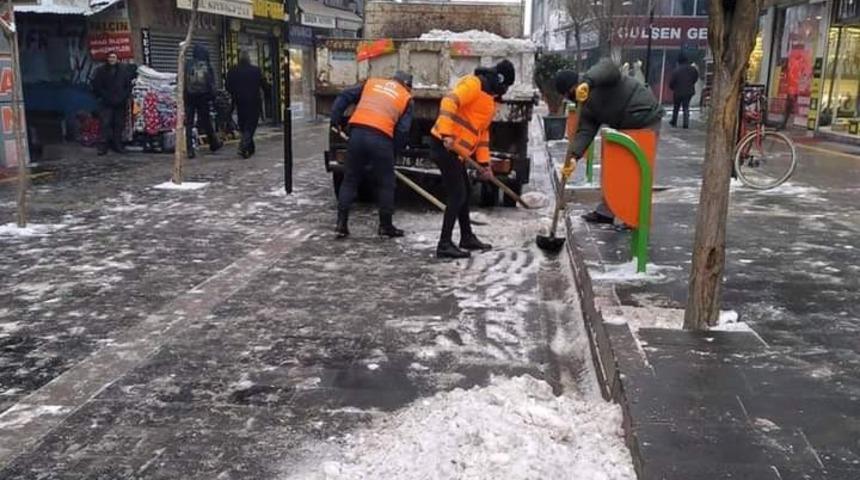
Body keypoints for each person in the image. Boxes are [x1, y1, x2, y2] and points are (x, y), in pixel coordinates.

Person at [555, 59, 663, 225]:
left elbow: (610, 67)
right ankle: (606, 212)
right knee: (616, 169)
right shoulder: (584, 105)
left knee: (637, 171)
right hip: (626, 126)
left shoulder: (598, 79)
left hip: (645, 118)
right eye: (568, 95)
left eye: (572, 91)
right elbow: (585, 131)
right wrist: (574, 157)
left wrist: (588, 82)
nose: (572, 96)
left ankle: (635, 218)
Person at [430, 60, 515, 259]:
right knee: (457, 194)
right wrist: (446, 134)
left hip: (457, 151)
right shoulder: (474, 84)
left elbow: (482, 135)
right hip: (443, 145)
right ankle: (444, 244)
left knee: (465, 190)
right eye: (505, 87)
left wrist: (485, 165)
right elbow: (448, 101)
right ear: (500, 80)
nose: (503, 92)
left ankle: (466, 237)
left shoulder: (489, 100)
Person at [329, 71, 414, 239]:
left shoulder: (372, 83)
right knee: (386, 183)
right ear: (407, 86)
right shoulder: (406, 98)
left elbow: (344, 96)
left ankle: (341, 224)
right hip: (382, 137)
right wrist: (392, 151)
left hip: (357, 134)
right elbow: (403, 131)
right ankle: (385, 226)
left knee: (350, 179)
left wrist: (335, 120)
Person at [91, 52, 135, 155]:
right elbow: (97, 86)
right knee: (105, 124)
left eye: (114, 57)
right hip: (106, 102)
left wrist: (123, 97)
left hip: (120, 102)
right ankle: (103, 147)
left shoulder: (123, 70)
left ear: (117, 59)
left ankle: (118, 145)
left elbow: (128, 86)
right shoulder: (101, 71)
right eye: (110, 57)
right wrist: (105, 97)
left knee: (118, 124)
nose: (112, 59)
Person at [226, 51, 267, 158]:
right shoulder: (256, 70)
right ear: (249, 59)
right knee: (250, 126)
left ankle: (250, 148)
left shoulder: (233, 70)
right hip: (254, 102)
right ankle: (243, 146)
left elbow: (227, 86)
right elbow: (265, 85)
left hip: (239, 103)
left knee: (243, 125)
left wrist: (236, 93)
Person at [184, 44, 222, 158]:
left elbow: (181, 80)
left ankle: (190, 149)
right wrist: (213, 96)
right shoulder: (207, 65)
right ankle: (213, 143)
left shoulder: (187, 64)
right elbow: (211, 83)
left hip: (189, 97)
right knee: (206, 120)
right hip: (203, 97)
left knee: (189, 123)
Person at [669, 53, 699, 128]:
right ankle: (686, 123)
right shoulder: (693, 69)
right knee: (686, 107)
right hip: (689, 91)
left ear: (679, 61)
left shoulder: (676, 70)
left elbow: (672, 82)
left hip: (678, 91)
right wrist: (691, 84)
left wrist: (673, 88)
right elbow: (695, 78)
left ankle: (674, 121)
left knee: (676, 107)